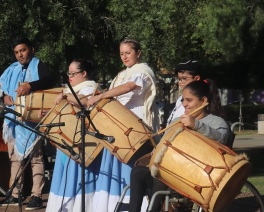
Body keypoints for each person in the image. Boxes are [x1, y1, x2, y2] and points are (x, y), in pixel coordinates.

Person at [129, 79, 232, 212]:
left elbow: (222, 139)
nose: (184, 104)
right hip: (169, 171)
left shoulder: (216, 122)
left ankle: (154, 209)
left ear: (204, 100)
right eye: (183, 100)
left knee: (165, 170)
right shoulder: (177, 121)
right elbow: (162, 146)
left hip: (194, 176)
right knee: (138, 172)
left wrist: (196, 124)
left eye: (189, 100)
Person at [86, 38, 160, 212]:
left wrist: (100, 97)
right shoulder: (121, 74)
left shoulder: (143, 70)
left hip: (137, 129)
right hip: (119, 128)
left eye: (128, 53)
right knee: (118, 169)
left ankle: (142, 207)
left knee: (136, 170)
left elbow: (130, 86)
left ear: (138, 53)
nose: (124, 57)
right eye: (121, 54)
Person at [0, 37, 55, 210]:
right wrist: (4, 97)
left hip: (32, 119)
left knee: (36, 158)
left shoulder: (39, 65)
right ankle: (15, 195)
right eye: (16, 52)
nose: (20, 55)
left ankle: (36, 196)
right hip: (14, 120)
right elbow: (3, 91)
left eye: (23, 50)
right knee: (15, 158)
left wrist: (30, 85)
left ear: (32, 49)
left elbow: (49, 81)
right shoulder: (11, 70)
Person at [46, 59, 102, 211]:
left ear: (84, 73)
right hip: (67, 138)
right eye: (68, 73)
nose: (70, 76)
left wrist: (65, 97)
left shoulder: (90, 87)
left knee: (77, 178)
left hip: (81, 140)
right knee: (65, 177)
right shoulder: (71, 89)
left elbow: (84, 101)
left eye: (73, 73)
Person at [166, 60, 201, 126]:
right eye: (179, 79)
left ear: (196, 78)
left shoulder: (200, 100)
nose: (180, 82)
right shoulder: (180, 99)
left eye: (184, 78)